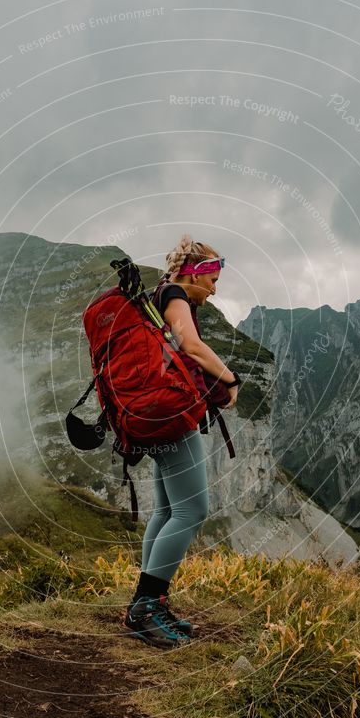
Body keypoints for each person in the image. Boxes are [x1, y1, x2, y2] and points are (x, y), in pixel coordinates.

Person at [124, 235, 241, 649]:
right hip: (170, 417)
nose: (215, 288)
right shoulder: (174, 294)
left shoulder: (157, 295)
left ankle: (150, 600)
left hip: (152, 414)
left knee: (169, 509)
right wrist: (230, 379)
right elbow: (190, 345)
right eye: (212, 278)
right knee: (193, 509)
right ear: (194, 273)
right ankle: (145, 609)